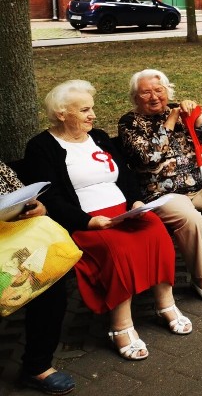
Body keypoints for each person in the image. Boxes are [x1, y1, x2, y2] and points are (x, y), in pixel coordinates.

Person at [25, 81, 190, 363]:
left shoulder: (98, 136)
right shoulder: (42, 147)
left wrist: (137, 202)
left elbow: (124, 176)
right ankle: (121, 326)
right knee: (118, 250)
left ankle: (165, 305)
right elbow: (50, 198)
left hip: (123, 211)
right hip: (85, 221)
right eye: (85, 110)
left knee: (156, 232)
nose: (93, 115)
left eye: (92, 109)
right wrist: (88, 222)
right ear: (62, 114)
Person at [118, 70, 202, 301]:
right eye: (146, 92)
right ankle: (201, 277)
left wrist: (199, 119)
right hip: (162, 192)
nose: (154, 96)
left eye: (159, 90)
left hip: (197, 184)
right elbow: (148, 158)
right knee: (191, 219)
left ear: (167, 90)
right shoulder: (130, 123)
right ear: (135, 97)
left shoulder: (181, 111)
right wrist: (170, 122)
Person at [0, 161, 76, 394]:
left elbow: (20, 195)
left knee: (47, 278)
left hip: (11, 238)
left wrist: (38, 208)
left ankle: (37, 366)